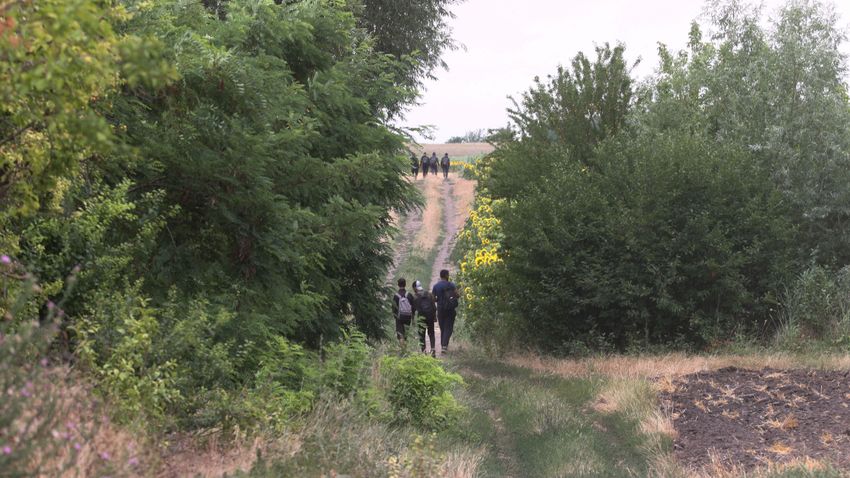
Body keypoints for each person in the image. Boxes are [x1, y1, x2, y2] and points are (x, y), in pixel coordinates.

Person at [432, 269, 459, 354]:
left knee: (442, 327)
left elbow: (433, 298)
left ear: (440, 276)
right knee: (449, 328)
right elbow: (457, 295)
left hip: (440, 309)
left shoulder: (436, 286)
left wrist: (438, 299)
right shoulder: (451, 285)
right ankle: (444, 346)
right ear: (447, 275)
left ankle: (443, 345)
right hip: (450, 309)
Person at [412, 280, 437, 357]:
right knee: (431, 333)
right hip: (430, 316)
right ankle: (433, 350)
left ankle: (424, 352)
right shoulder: (429, 294)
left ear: (415, 288)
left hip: (421, 317)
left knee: (421, 334)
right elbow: (434, 306)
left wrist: (413, 320)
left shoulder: (415, 297)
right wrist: (435, 316)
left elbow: (413, 310)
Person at [392, 278, 416, 343]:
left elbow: (394, 307)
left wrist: (395, 316)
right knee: (406, 335)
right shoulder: (409, 295)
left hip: (399, 317)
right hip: (408, 317)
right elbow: (413, 307)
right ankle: (405, 348)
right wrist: (413, 318)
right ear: (405, 284)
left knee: (400, 335)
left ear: (398, 285)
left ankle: (403, 350)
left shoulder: (396, 296)